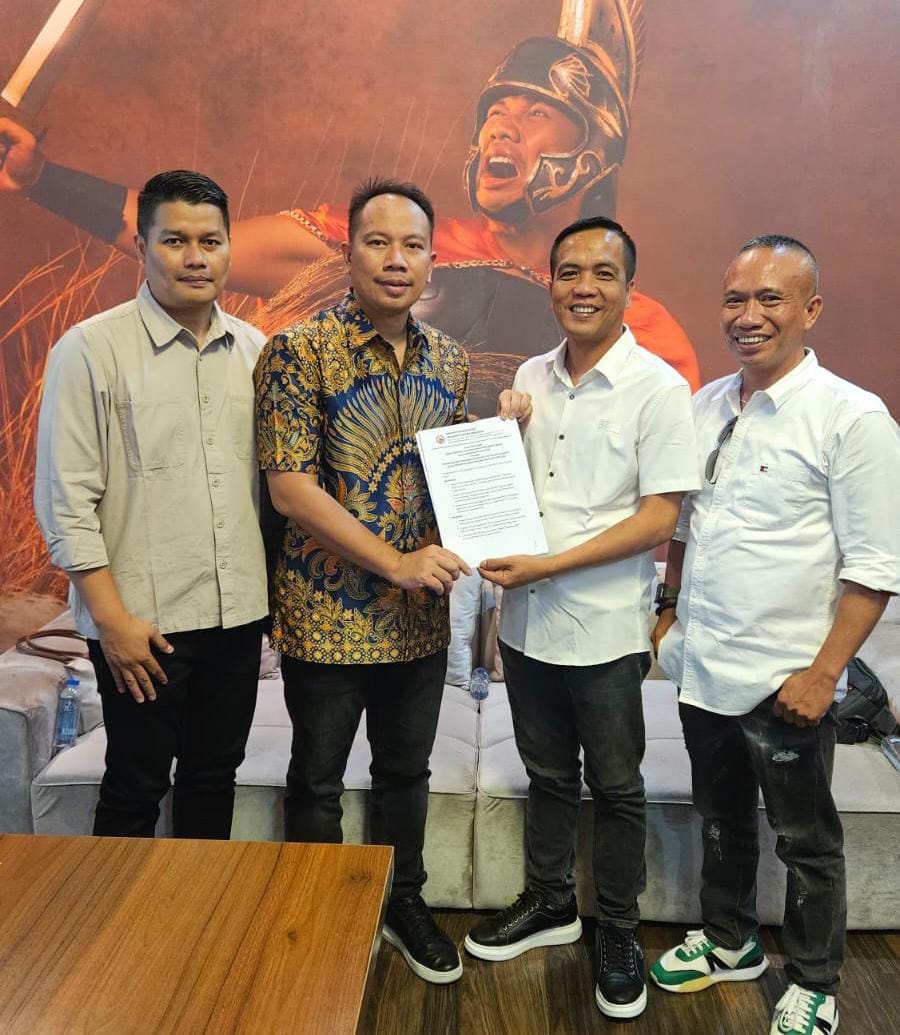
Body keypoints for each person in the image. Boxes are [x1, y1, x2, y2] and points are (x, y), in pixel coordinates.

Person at [0, 4, 699, 416]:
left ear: (593, 151)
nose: (501, 130)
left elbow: (660, 493)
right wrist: (42, 179)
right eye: (495, 113)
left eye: (536, 113)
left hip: (535, 585)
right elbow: (197, 248)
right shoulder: (390, 250)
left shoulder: (642, 329)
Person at [649, 235, 900, 1035]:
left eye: (770, 298)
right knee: (719, 817)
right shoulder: (706, 404)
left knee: (806, 841)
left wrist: (824, 675)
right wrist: (667, 612)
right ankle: (730, 941)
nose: (748, 315)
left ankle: (816, 981)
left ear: (810, 309)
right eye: (735, 298)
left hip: (789, 681)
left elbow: (875, 568)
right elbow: (683, 523)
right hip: (703, 667)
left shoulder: (852, 418)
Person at [468, 215, 700, 1019]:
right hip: (527, 622)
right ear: (550, 282)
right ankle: (550, 900)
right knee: (548, 774)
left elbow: (659, 518)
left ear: (629, 287)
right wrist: (503, 432)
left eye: (603, 273)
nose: (584, 287)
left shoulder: (659, 388)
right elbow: (516, 491)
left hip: (603, 629)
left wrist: (549, 565)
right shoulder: (530, 375)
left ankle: (619, 930)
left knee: (617, 784)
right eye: (569, 272)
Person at [254, 177, 470, 985]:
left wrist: (505, 450)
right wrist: (396, 562)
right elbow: (290, 489)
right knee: (317, 781)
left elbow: (455, 478)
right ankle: (316, 918)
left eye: (412, 245)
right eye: (378, 242)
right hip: (327, 616)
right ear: (348, 253)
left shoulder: (450, 359)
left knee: (405, 775)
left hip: (419, 620)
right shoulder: (296, 351)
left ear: (432, 259)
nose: (395, 259)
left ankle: (402, 902)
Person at [34, 169, 268, 840]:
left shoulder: (256, 352)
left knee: (213, 778)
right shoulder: (91, 349)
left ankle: (199, 909)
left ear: (229, 248)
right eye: (174, 240)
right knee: (135, 786)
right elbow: (65, 499)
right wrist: (111, 621)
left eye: (210, 241)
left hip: (236, 617)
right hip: (141, 624)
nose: (195, 258)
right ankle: (120, 914)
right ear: (140, 247)